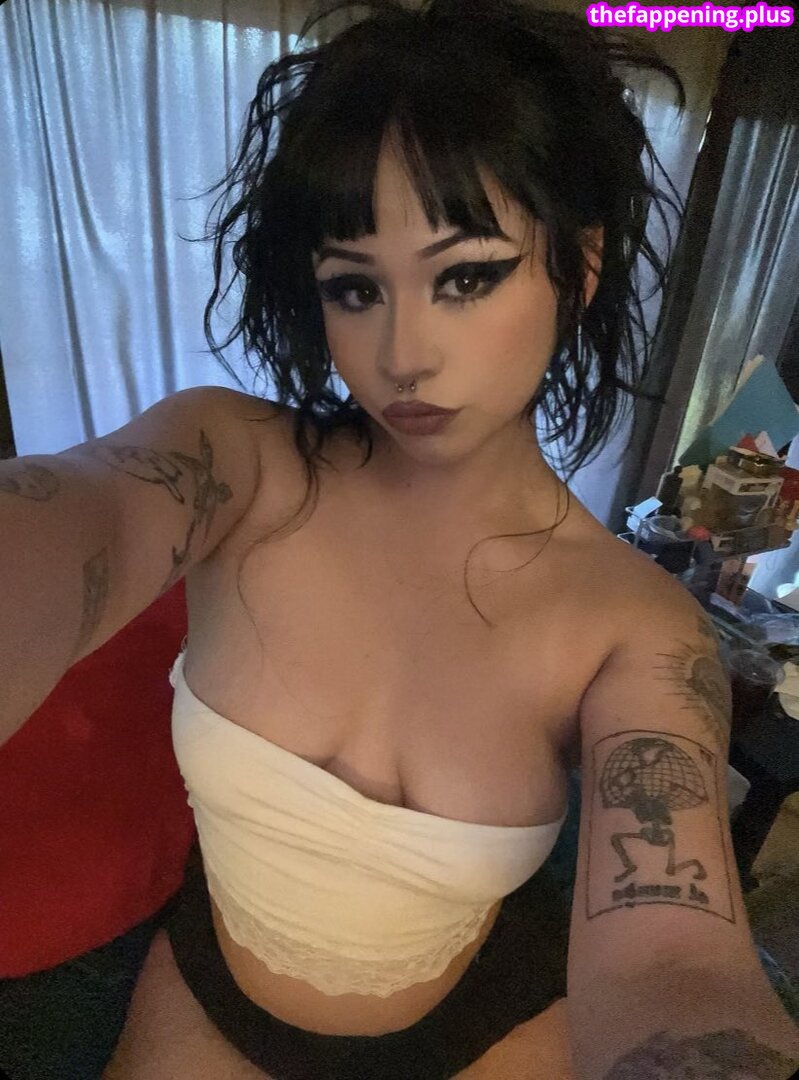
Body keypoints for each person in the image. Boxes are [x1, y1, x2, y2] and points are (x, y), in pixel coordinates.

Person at [3, 2, 799, 1078]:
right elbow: (75, 514)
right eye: (355, 287)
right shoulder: (235, 462)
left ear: (578, 269)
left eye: (465, 276)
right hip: (210, 986)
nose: (400, 353)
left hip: (491, 1023)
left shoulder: (639, 624)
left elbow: (674, 952)